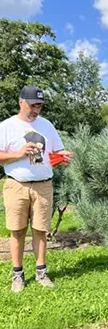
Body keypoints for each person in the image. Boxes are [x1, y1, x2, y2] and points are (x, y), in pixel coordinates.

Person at [0, 86, 73, 292]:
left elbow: (55, 151)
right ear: (21, 102)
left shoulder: (47, 125)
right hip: (17, 185)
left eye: (39, 106)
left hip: (43, 185)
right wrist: (19, 153)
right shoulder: (6, 127)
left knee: (41, 230)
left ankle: (41, 272)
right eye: (32, 105)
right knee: (17, 230)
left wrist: (63, 154)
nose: (36, 110)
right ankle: (17, 275)